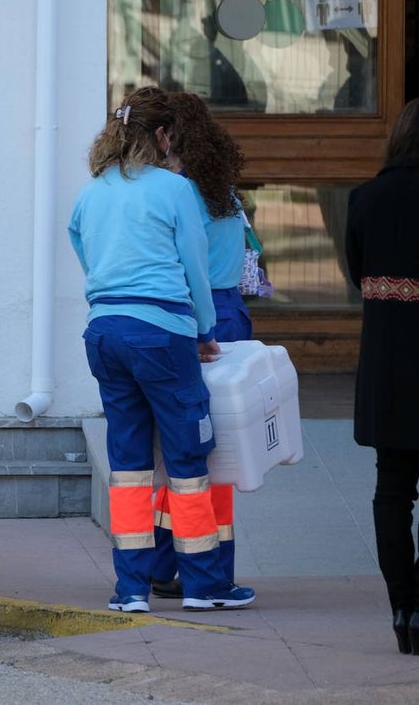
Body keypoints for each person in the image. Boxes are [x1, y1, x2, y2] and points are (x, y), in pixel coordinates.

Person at [67, 85, 255, 613]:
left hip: (103, 331)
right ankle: (204, 585)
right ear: (162, 135)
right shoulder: (173, 190)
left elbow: (83, 248)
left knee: (127, 466)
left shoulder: (92, 191)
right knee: (187, 461)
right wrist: (203, 331)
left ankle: (131, 590)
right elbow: (194, 267)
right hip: (163, 334)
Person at [150, 91, 250, 601]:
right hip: (230, 315)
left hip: (193, 319)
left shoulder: (175, 190)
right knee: (217, 454)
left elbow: (176, 264)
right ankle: (212, 567)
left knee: (181, 451)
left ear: (166, 136)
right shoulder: (223, 190)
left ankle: (171, 563)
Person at [345, 97, 419, 655]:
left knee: (391, 491)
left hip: (389, 366)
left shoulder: (365, 198)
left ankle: (402, 604)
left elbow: (358, 274)